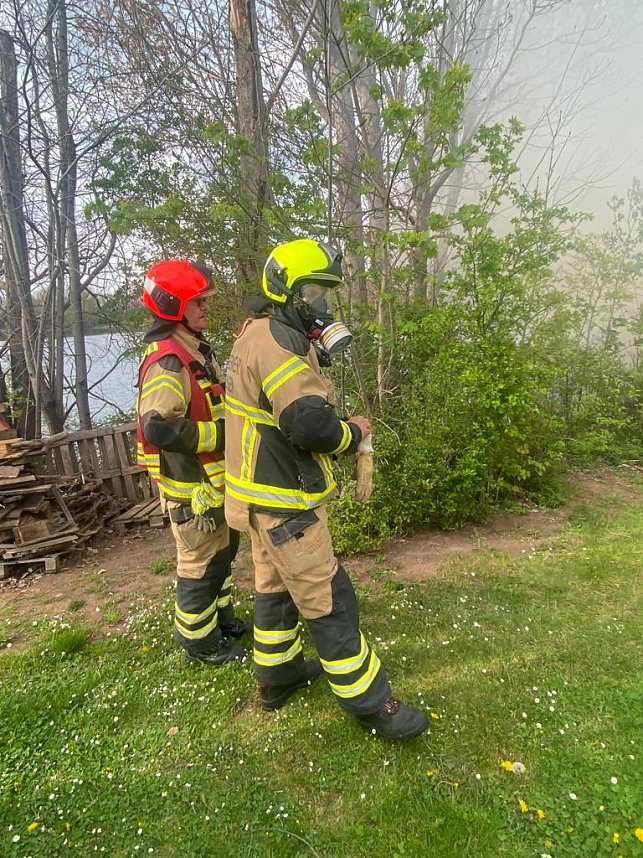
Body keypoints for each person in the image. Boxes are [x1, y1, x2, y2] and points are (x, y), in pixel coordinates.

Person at [224, 238, 428, 740]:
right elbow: (308, 426)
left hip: (255, 500)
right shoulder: (280, 345)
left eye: (325, 293)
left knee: (273, 591)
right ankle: (371, 703)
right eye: (314, 292)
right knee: (328, 598)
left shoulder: (255, 331)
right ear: (290, 293)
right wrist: (354, 431)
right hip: (286, 505)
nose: (322, 304)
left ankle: (278, 675)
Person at [137, 259, 250, 666]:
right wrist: (222, 436)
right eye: (198, 301)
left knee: (223, 552)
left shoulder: (195, 350)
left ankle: (221, 620)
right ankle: (199, 640)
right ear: (172, 306)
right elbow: (159, 427)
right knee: (199, 563)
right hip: (190, 489)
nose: (206, 308)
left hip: (211, 484)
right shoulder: (169, 360)